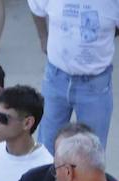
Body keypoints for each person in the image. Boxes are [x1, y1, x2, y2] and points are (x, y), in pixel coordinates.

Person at [30, 0, 116, 151]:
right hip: (55, 78)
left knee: (91, 154)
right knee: (46, 148)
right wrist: (43, 38)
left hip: (95, 85)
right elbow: (36, 8)